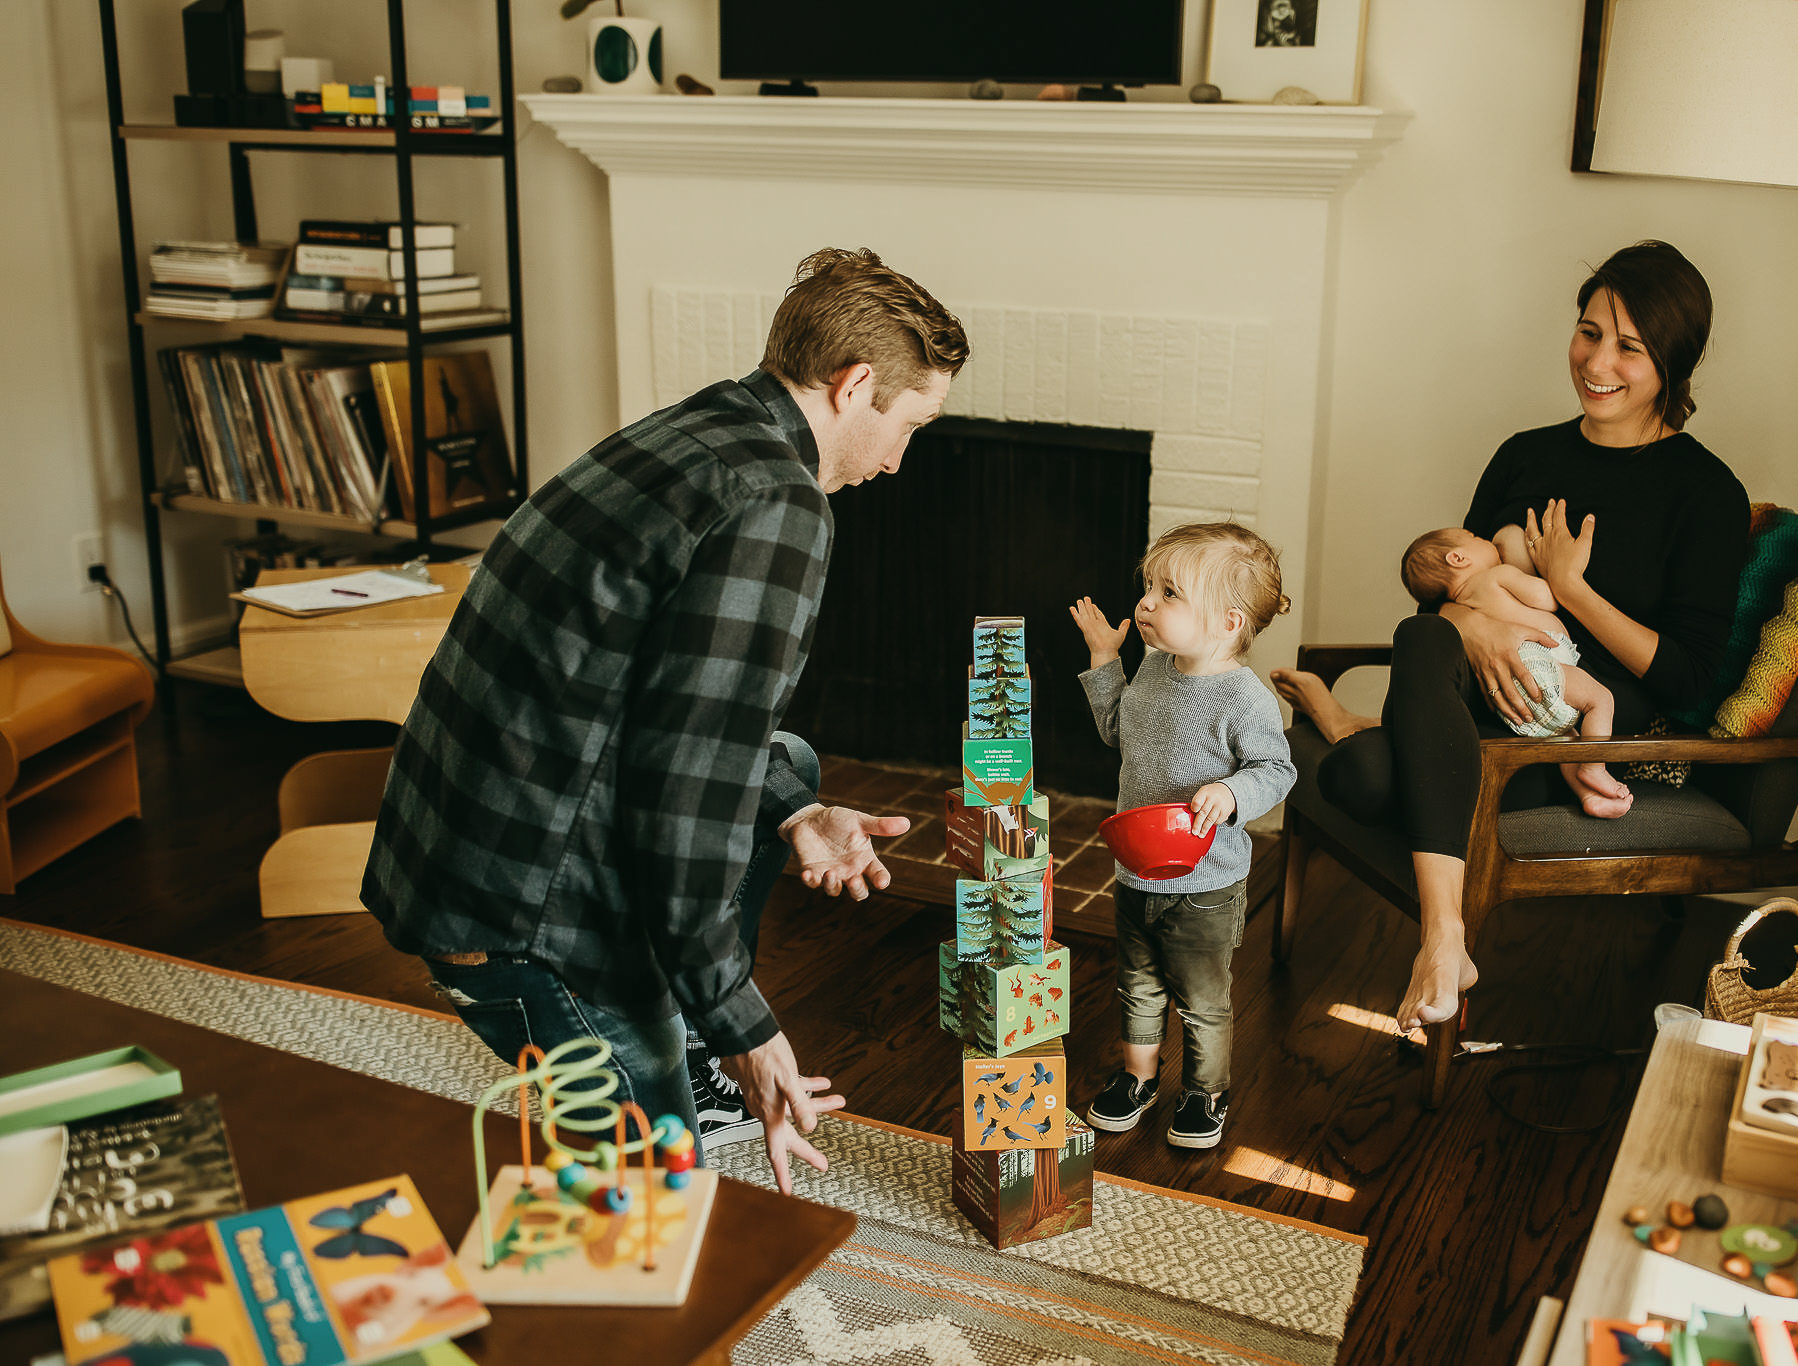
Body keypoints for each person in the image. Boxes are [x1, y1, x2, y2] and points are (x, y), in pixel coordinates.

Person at [361, 247, 969, 1194]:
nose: (898, 460)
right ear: (855, 386)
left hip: (450, 850)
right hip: (521, 915)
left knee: (791, 764)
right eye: (912, 423)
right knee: (654, 1204)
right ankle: (667, 1058)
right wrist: (747, 1027)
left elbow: (675, 713)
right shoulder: (781, 503)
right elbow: (682, 799)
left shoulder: (697, 430)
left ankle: (675, 1038)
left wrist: (799, 813)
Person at [1271, 240, 1749, 1035]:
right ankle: (1448, 933)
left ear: (1674, 362)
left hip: (1580, 723)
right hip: (1474, 698)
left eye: (1629, 347)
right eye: (1589, 331)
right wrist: (1474, 628)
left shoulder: (1705, 492)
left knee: (1361, 773)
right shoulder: (1526, 455)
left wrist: (1571, 593)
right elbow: (1447, 601)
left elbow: (1689, 677)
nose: (1598, 360)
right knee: (1407, 665)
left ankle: (1428, 911)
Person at [1069, 522, 1297, 1149]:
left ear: (1227, 623)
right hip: (1136, 868)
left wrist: (1230, 795)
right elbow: (1118, 731)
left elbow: (1277, 771)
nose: (1145, 603)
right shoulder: (1152, 668)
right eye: (1149, 587)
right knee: (1136, 983)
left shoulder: (1243, 698)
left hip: (1208, 882)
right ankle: (1138, 1079)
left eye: (1169, 593)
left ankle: (1205, 1093)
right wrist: (1104, 661)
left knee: (1201, 999)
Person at [1399, 525, 1631, 819]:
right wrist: (1550, 570)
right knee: (1601, 699)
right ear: (1458, 558)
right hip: (1536, 668)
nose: (1486, 542)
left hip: (1510, 693)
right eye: (1477, 538)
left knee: (1564, 739)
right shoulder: (1496, 576)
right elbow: (1547, 597)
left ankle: (1589, 797)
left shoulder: (1463, 605)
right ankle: (1595, 768)